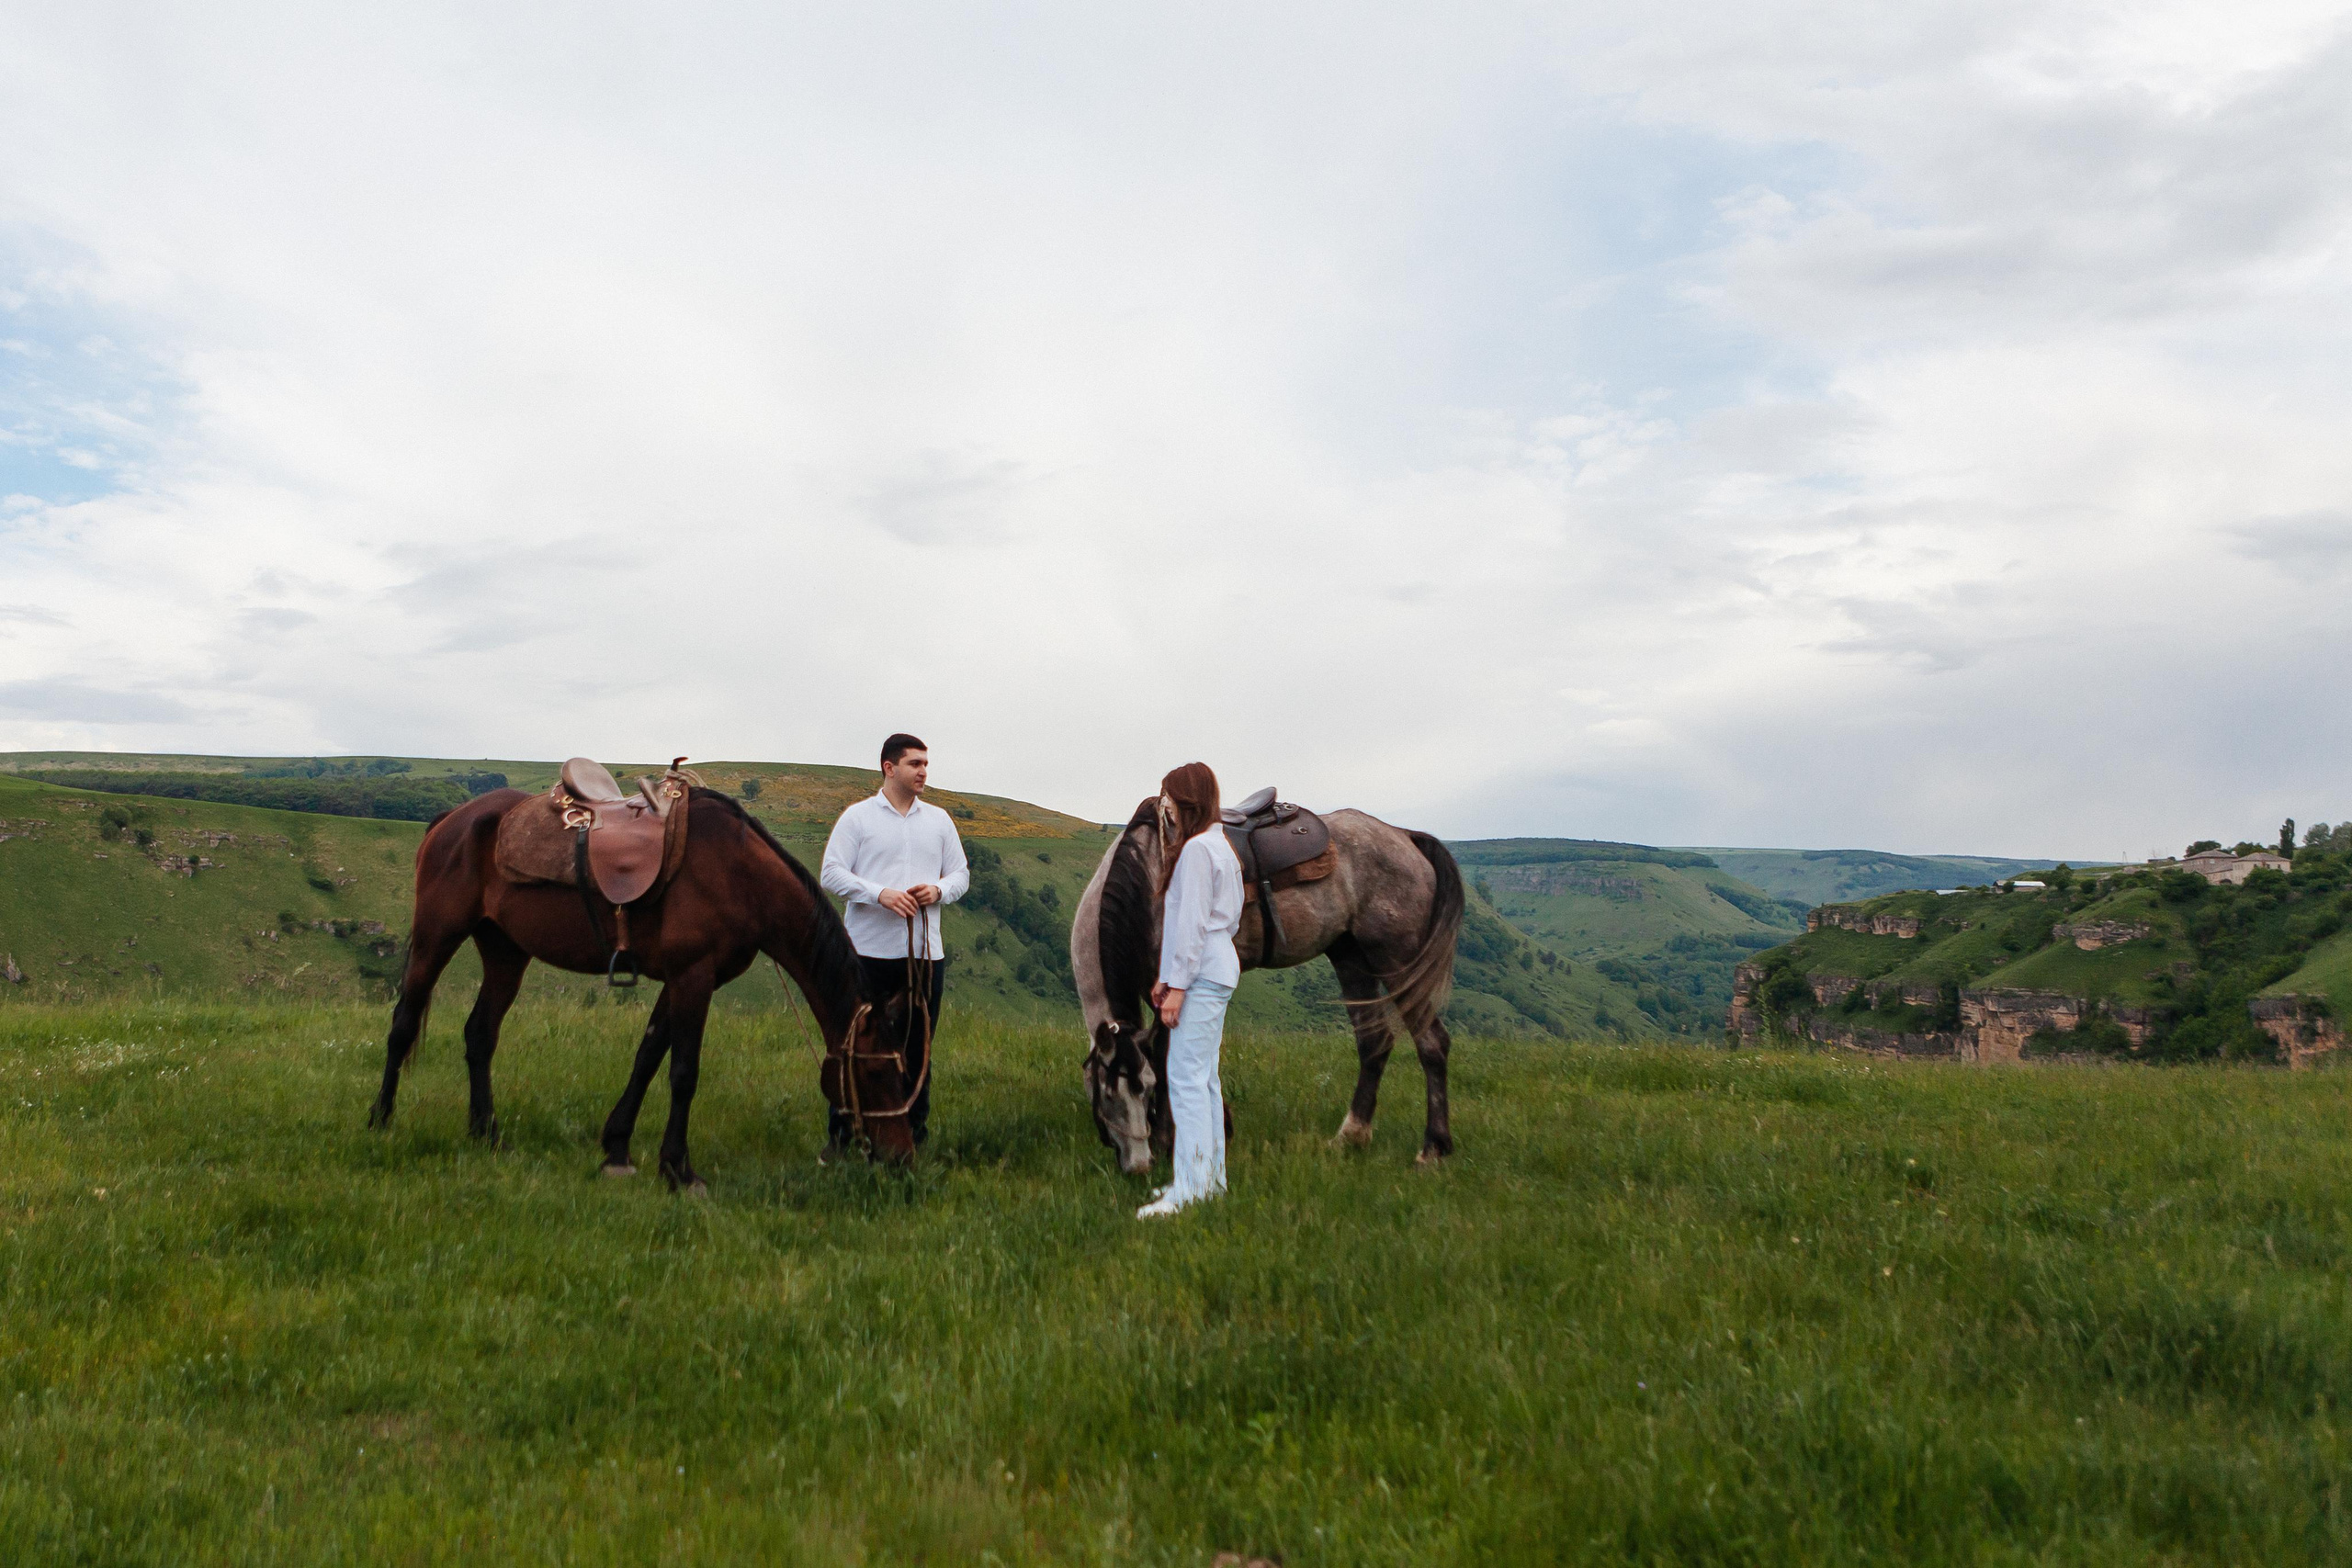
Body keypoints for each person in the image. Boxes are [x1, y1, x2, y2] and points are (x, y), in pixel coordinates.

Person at [819, 732, 968, 1156]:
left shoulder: (939, 820)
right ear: (889, 768)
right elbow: (830, 874)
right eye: (914, 764)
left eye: (925, 764)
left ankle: (912, 1138)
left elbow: (960, 875)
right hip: (866, 955)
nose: (923, 772)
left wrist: (938, 891)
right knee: (855, 1047)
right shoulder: (858, 818)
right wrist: (879, 894)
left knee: (918, 1048)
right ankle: (843, 1139)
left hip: (924, 957)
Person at [1138, 761, 1243, 1219]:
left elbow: (1193, 924)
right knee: (1205, 1079)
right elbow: (1214, 922)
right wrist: (1167, 977)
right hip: (1215, 965)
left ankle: (1190, 1189)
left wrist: (1177, 985)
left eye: (1168, 797)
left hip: (1202, 972)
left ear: (1185, 801)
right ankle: (1208, 1181)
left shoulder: (1198, 849)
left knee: (1185, 1081)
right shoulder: (1221, 845)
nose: (1165, 806)